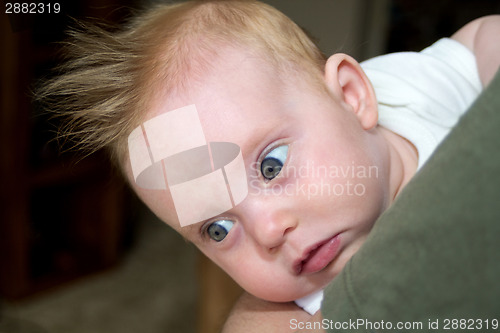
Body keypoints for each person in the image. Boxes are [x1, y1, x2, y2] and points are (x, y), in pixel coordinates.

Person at [35, 0, 500, 330]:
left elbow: (480, 39)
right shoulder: (308, 306)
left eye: (271, 166)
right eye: (218, 228)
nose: (268, 230)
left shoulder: (409, 89)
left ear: (354, 97)